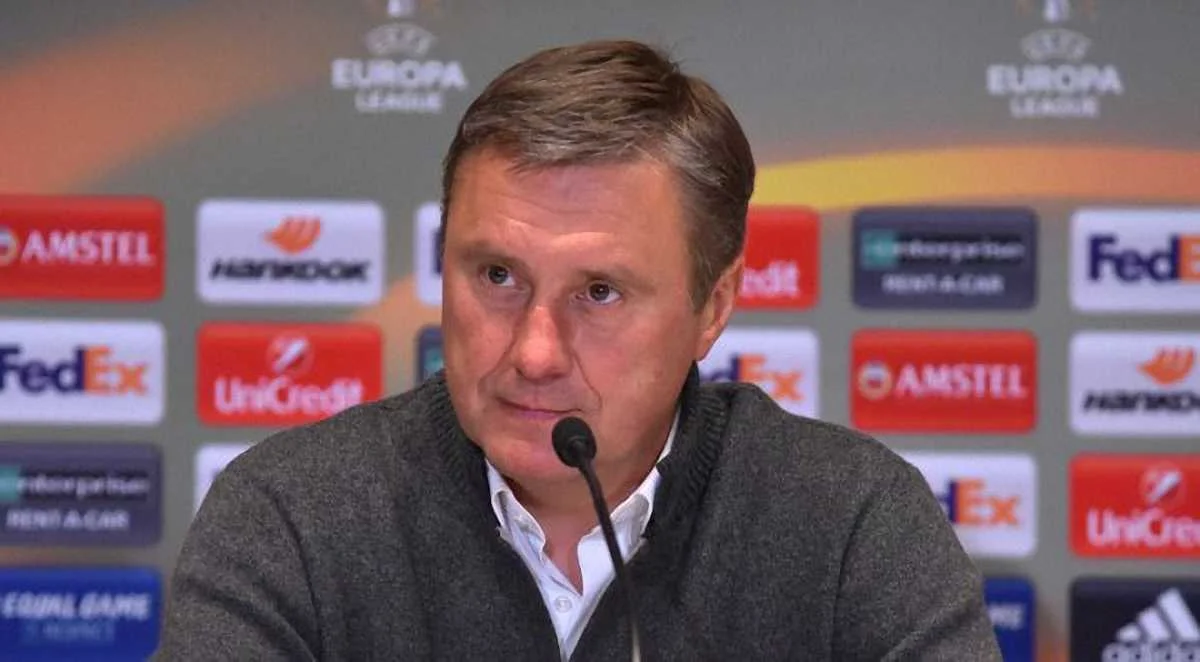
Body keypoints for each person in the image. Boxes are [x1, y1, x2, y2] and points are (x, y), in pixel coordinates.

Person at [156, 39, 1002, 661]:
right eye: (497, 275)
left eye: (599, 292)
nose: (534, 353)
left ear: (712, 308)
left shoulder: (850, 524)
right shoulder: (292, 518)